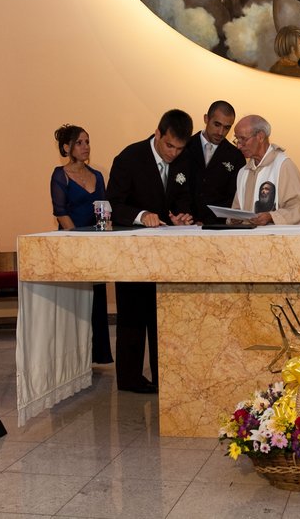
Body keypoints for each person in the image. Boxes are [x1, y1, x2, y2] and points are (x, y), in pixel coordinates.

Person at [105, 110, 194, 393]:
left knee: (161, 315)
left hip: (166, 253)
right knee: (133, 315)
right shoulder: (129, 158)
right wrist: (141, 215)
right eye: (169, 146)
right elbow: (113, 204)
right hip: (133, 251)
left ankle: (162, 376)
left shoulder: (182, 161)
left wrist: (181, 215)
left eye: (179, 149)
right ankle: (130, 379)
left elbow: (182, 197)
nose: (173, 153)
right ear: (158, 134)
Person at [50, 124, 113, 365]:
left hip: (95, 245)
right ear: (67, 148)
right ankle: (75, 358)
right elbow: (61, 212)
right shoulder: (60, 175)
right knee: (75, 302)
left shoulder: (97, 175)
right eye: (79, 143)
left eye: (87, 142)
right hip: (72, 244)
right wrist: (79, 243)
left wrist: (102, 237)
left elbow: (103, 209)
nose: (85, 147)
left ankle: (97, 354)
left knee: (96, 300)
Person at [230, 115, 300, 225]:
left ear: (260, 137)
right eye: (237, 139)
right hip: (247, 235)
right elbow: (237, 209)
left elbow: (298, 208)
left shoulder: (283, 166)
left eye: (243, 139)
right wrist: (234, 218)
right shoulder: (243, 172)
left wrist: (271, 217)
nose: (238, 146)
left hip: (273, 235)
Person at [182, 100, 246, 224]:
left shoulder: (236, 156)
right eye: (217, 124)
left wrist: (210, 222)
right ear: (206, 119)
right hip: (183, 224)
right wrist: (188, 219)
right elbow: (176, 190)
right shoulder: (184, 147)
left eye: (227, 127)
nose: (221, 132)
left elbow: (235, 197)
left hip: (218, 227)